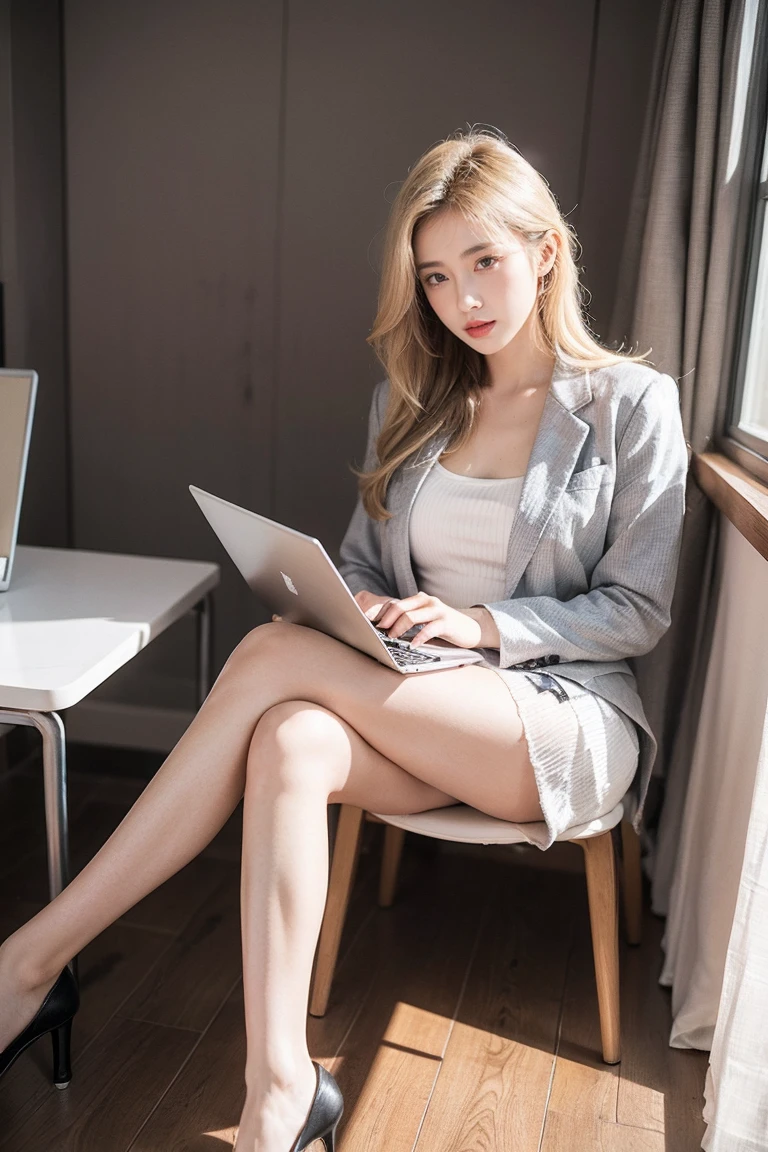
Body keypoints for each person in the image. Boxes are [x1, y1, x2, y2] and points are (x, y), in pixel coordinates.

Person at [0, 129, 688, 1151]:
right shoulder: (413, 402)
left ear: (545, 251)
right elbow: (369, 566)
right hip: (412, 696)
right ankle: (282, 1091)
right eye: (439, 276)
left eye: (485, 263)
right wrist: (360, 606)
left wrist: (485, 624)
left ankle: (24, 965)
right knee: (286, 740)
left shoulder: (630, 405)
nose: (466, 300)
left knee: (274, 658)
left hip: (556, 719)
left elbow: (638, 608)